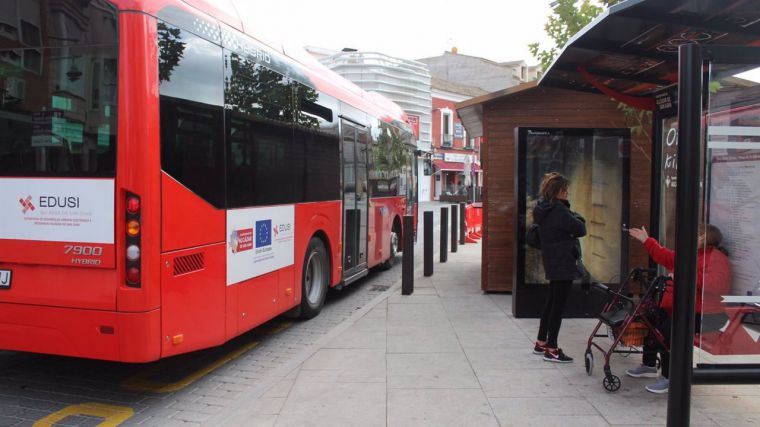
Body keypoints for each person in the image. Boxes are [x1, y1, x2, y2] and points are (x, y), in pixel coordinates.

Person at [625, 224, 732, 394]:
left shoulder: (717, 259)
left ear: (705, 238)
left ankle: (671, 378)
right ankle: (649, 364)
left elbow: (714, 286)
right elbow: (666, 257)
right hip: (680, 310)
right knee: (650, 320)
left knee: (668, 333)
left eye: (696, 235)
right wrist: (647, 241)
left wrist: (684, 275)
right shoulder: (692, 255)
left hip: (706, 314)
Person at [532, 172, 587, 363]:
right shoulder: (560, 210)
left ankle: (541, 341)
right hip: (564, 262)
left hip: (552, 261)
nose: (568, 193)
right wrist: (577, 216)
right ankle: (552, 348)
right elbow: (580, 229)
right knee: (558, 307)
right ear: (559, 191)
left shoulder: (542, 208)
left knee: (551, 302)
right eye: (566, 190)